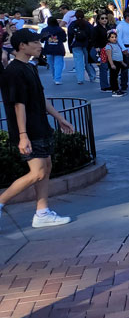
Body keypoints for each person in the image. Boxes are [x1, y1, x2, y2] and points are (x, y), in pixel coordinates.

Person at [0, 29, 75, 226]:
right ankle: (1, 202)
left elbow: (41, 99)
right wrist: (23, 135)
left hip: (40, 126)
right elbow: (18, 105)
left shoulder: (30, 67)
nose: (40, 45)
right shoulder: (13, 72)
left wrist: (60, 118)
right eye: (35, 42)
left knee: (46, 168)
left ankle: (42, 213)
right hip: (28, 130)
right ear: (22, 46)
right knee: (38, 172)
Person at [38, 16, 67, 85]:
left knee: (51, 64)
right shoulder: (60, 30)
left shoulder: (45, 30)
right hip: (59, 49)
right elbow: (64, 39)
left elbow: (41, 40)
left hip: (48, 49)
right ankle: (58, 79)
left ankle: (54, 77)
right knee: (58, 64)